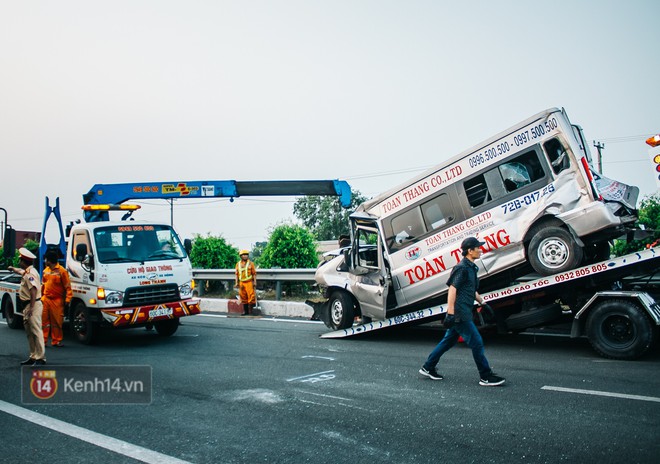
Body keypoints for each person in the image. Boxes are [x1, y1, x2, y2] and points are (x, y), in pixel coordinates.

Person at [419, 237, 505, 386]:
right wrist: (451, 313)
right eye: (477, 247)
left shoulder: (471, 267)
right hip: (460, 312)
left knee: (448, 341)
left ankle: (428, 366)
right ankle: (485, 376)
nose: (480, 249)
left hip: (464, 310)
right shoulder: (462, 268)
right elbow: (453, 289)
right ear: (469, 251)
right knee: (477, 342)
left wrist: (483, 303)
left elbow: (470, 289)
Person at [9, 248, 46, 366]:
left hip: (32, 305)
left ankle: (40, 358)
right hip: (28, 305)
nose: (19, 262)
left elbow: (33, 290)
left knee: (36, 331)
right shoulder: (27, 272)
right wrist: (13, 269)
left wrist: (31, 307)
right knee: (29, 332)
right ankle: (33, 355)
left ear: (24, 261)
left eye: (20, 260)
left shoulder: (30, 274)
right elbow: (20, 271)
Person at [41, 249, 72, 347]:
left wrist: (67, 299)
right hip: (46, 299)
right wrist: (41, 297)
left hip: (57, 300)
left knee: (57, 322)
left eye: (46, 259)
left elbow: (68, 287)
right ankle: (43, 341)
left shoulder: (62, 271)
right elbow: (43, 285)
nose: (45, 261)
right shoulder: (45, 271)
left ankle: (56, 341)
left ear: (49, 260)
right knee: (43, 322)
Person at [235, 250, 257, 316]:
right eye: (243, 255)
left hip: (249, 282)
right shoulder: (238, 264)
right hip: (242, 283)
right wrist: (236, 283)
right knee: (243, 297)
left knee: (251, 296)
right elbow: (236, 274)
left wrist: (255, 282)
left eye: (246, 255)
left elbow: (254, 274)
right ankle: (246, 311)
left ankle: (251, 311)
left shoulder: (251, 263)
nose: (245, 256)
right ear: (241, 256)